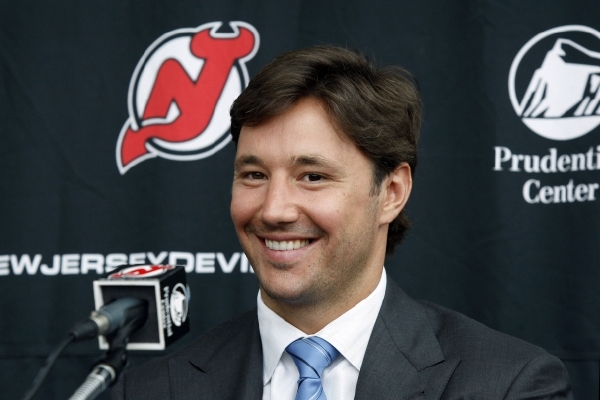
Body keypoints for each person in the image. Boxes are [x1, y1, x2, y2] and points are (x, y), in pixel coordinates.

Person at [112, 45, 572, 399]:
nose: (273, 210)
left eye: (312, 177)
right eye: (254, 175)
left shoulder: (508, 384)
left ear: (391, 193)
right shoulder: (153, 390)